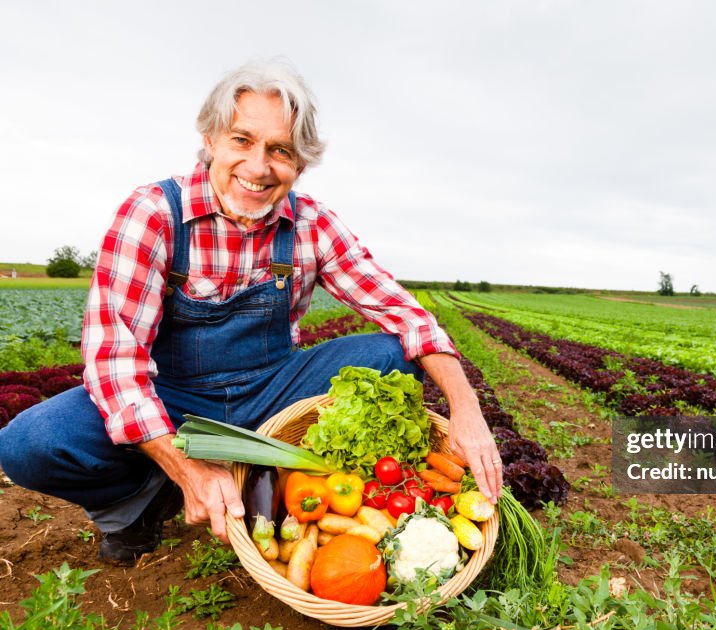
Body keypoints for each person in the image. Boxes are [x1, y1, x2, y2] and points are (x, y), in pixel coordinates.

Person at [0, 60, 502, 566]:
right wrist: (184, 467)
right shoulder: (154, 213)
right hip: (172, 397)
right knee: (30, 443)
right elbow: (114, 361)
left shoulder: (311, 225)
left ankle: (280, 478)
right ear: (211, 139)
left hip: (270, 395)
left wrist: (467, 409)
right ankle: (142, 499)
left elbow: (406, 314)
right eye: (242, 140)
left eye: (279, 151)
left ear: (299, 165)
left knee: (391, 356)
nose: (258, 167)